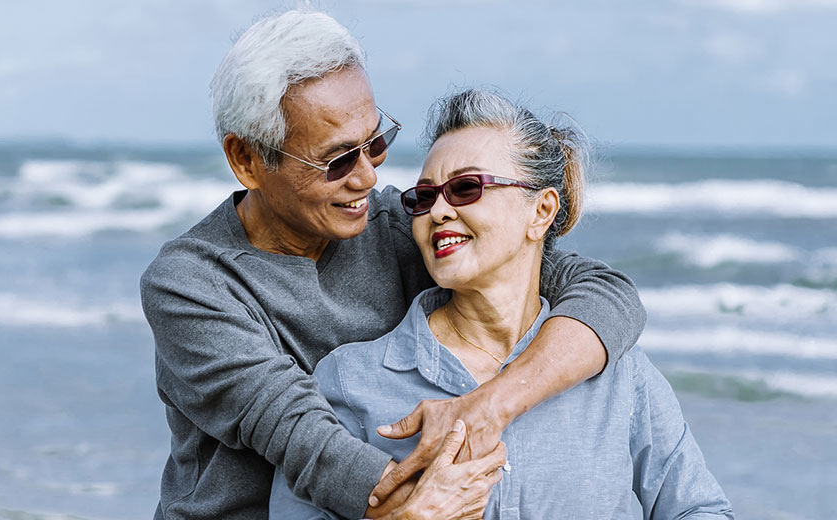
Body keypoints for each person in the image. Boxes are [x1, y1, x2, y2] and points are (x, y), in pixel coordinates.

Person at [140, 8, 647, 519]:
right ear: (246, 160)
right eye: (337, 159)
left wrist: (493, 403)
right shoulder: (190, 284)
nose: (366, 177)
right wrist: (413, 508)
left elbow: (604, 292)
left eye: (376, 142)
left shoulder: (399, 227)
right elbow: (298, 434)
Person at [267, 88, 733, 519]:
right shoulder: (349, 380)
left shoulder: (619, 373)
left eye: (467, 187)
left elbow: (701, 509)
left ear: (542, 211)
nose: (439, 210)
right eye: (423, 197)